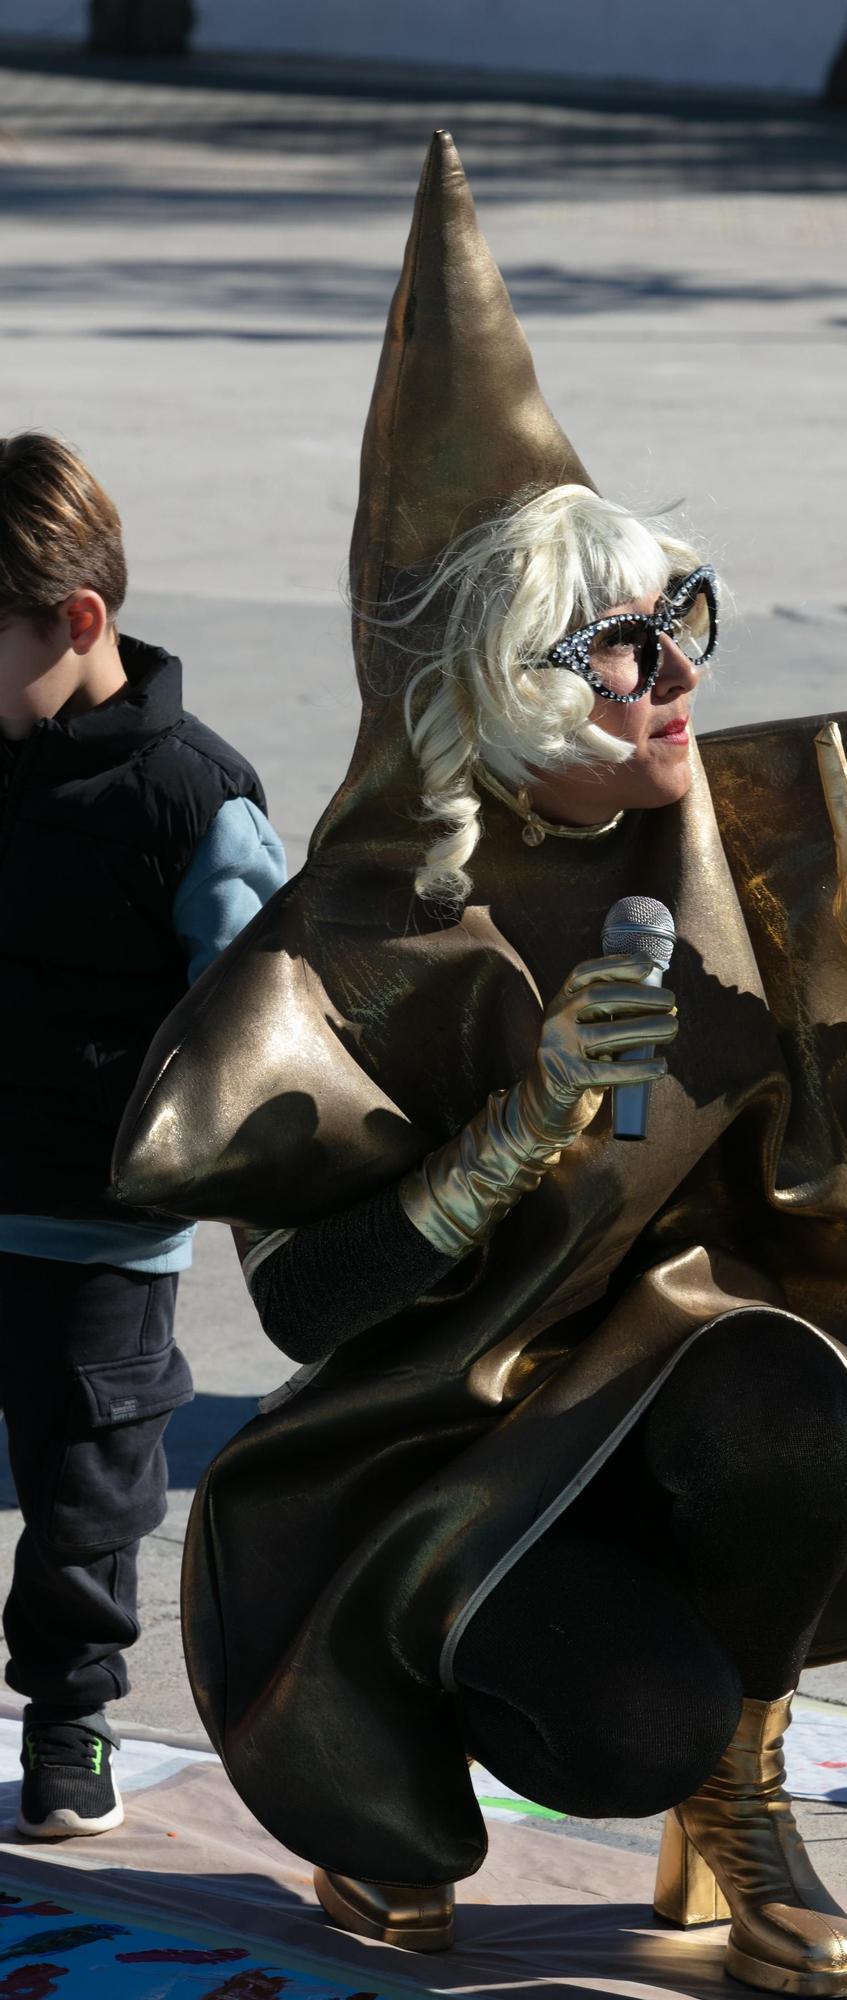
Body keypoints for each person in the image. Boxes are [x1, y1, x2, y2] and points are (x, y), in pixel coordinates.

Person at [112, 137, 847, 1995]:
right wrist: (517, 1130)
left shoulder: (778, 832)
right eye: (617, 642)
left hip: (717, 1413)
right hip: (444, 1449)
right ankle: (433, 1758)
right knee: (607, 1716)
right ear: (498, 687)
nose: (672, 669)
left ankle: (741, 1780)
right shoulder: (363, 935)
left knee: (774, 1384)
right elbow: (309, 1307)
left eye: (681, 615)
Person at [0, 432, 285, 1839]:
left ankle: (70, 1721)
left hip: (98, 1217)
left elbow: (252, 1016)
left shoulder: (193, 797)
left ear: (78, 622)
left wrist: (189, 1151)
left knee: (84, 1485)